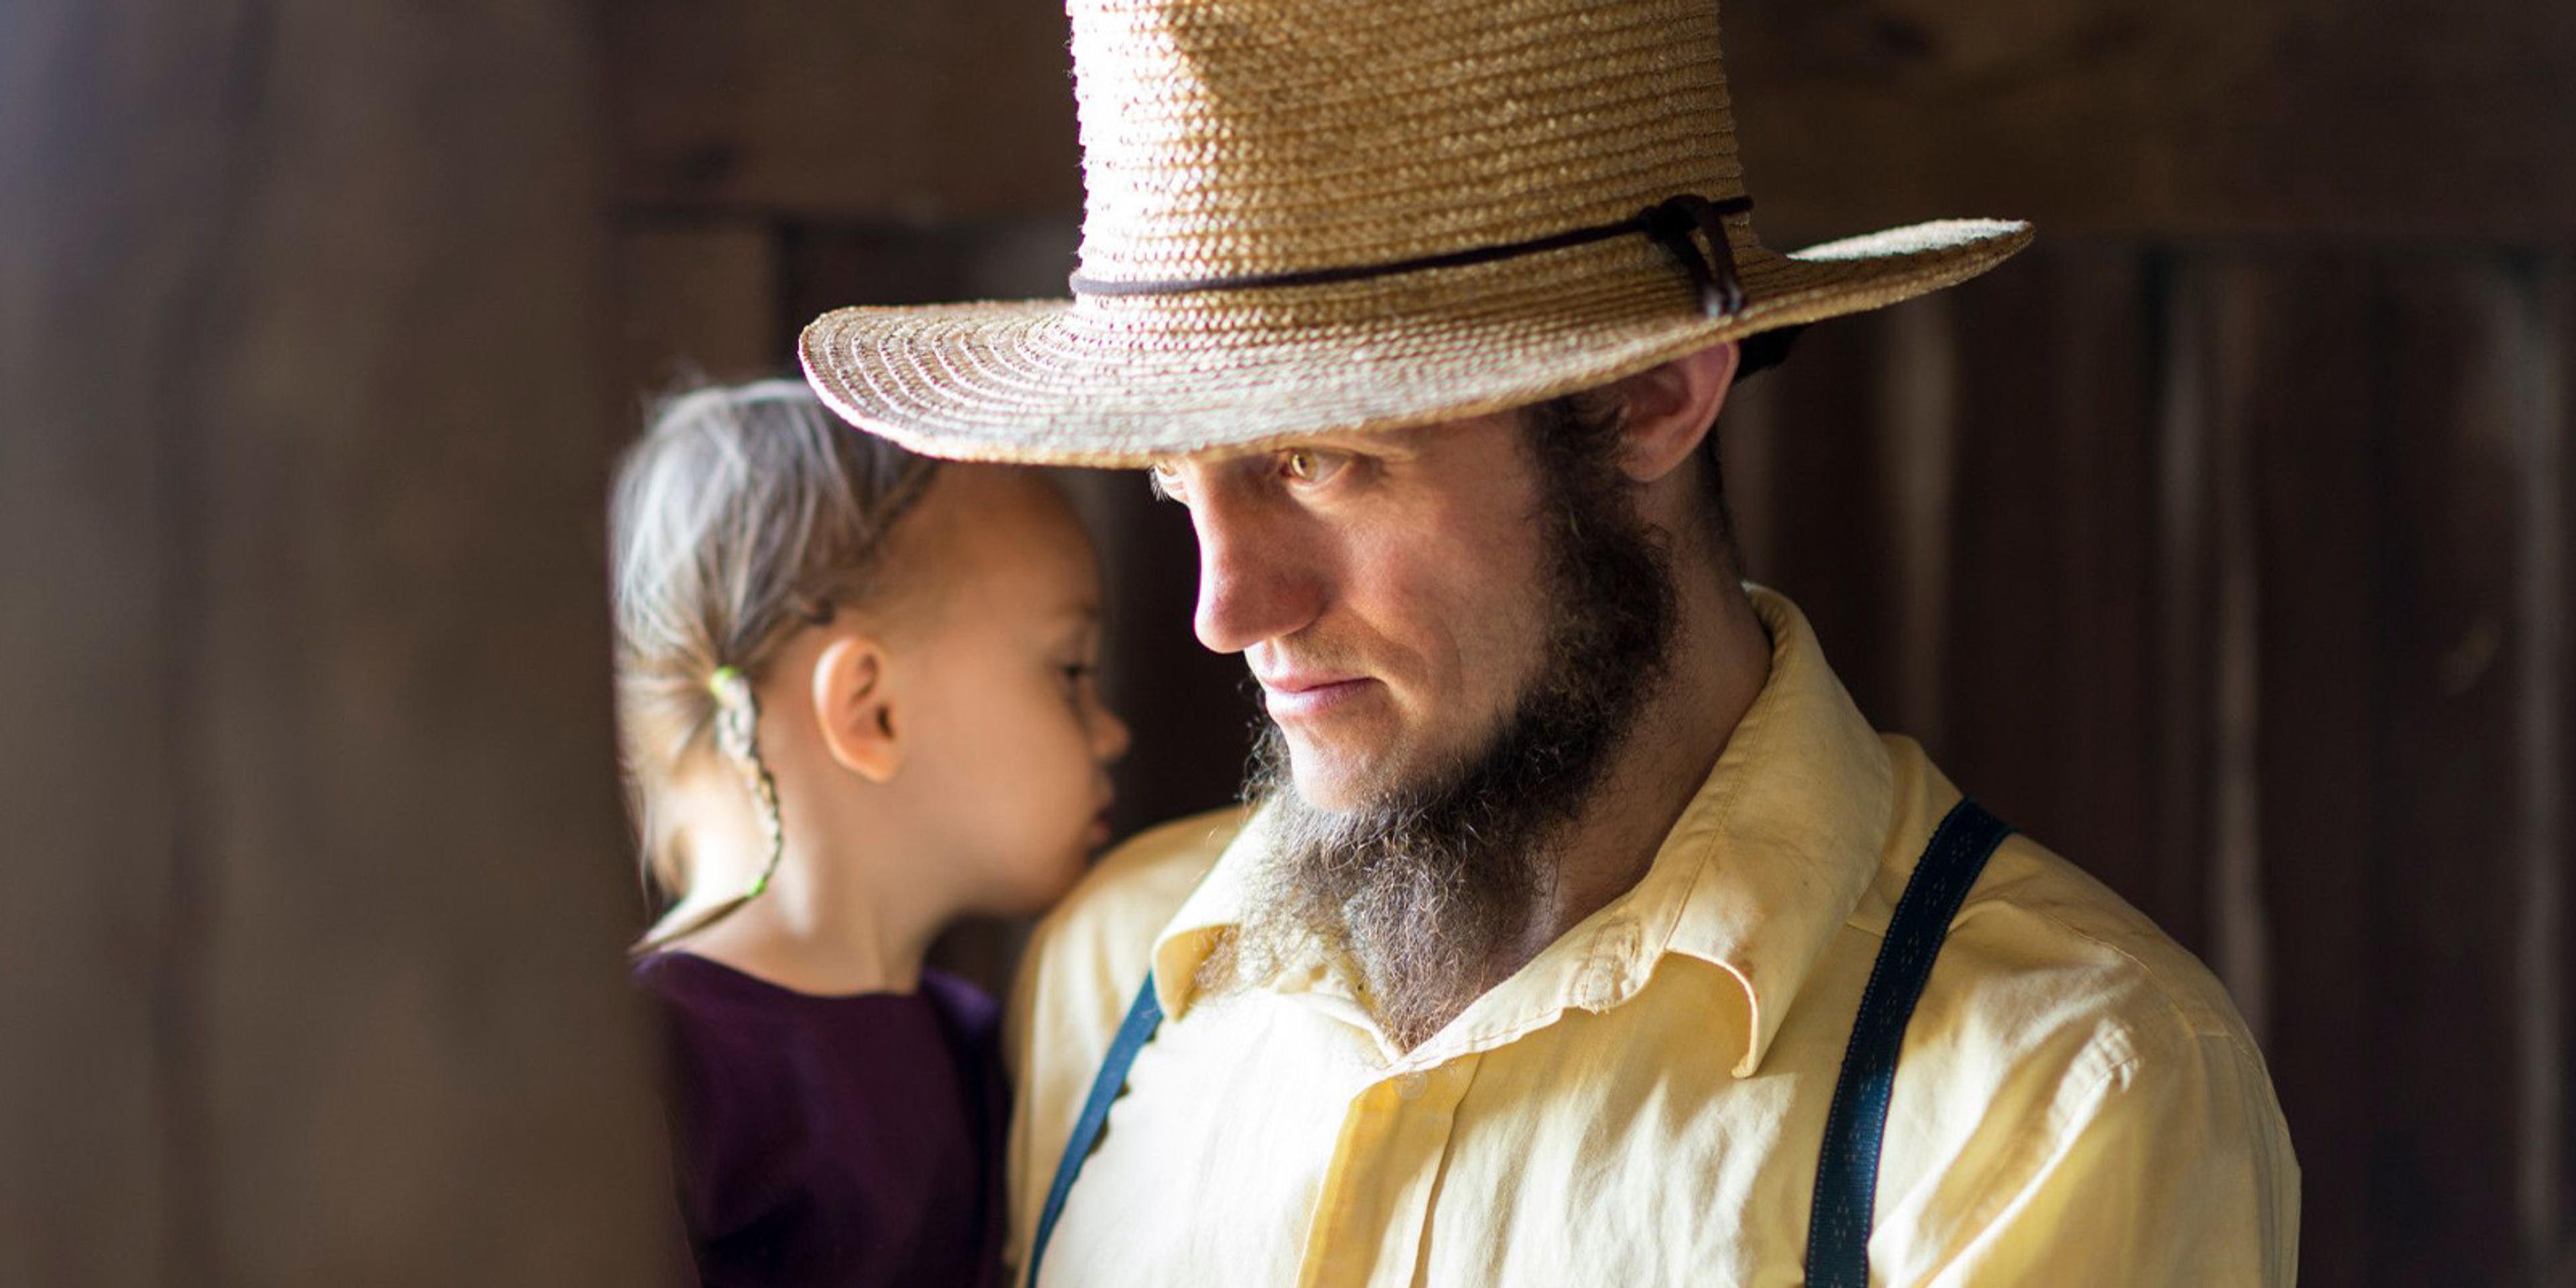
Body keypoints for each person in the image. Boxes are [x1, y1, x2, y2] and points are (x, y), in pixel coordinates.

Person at [794, 0, 2300, 1283]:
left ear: (1650, 397)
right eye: (1177, 482)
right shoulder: (1114, 978)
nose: (1225, 608)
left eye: (1317, 461)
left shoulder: (2048, 1095)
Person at [608, 380, 1130, 1287]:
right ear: (870, 710)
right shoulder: (650, 1063)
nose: (1114, 731)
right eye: (1071, 669)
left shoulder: (978, 1041)